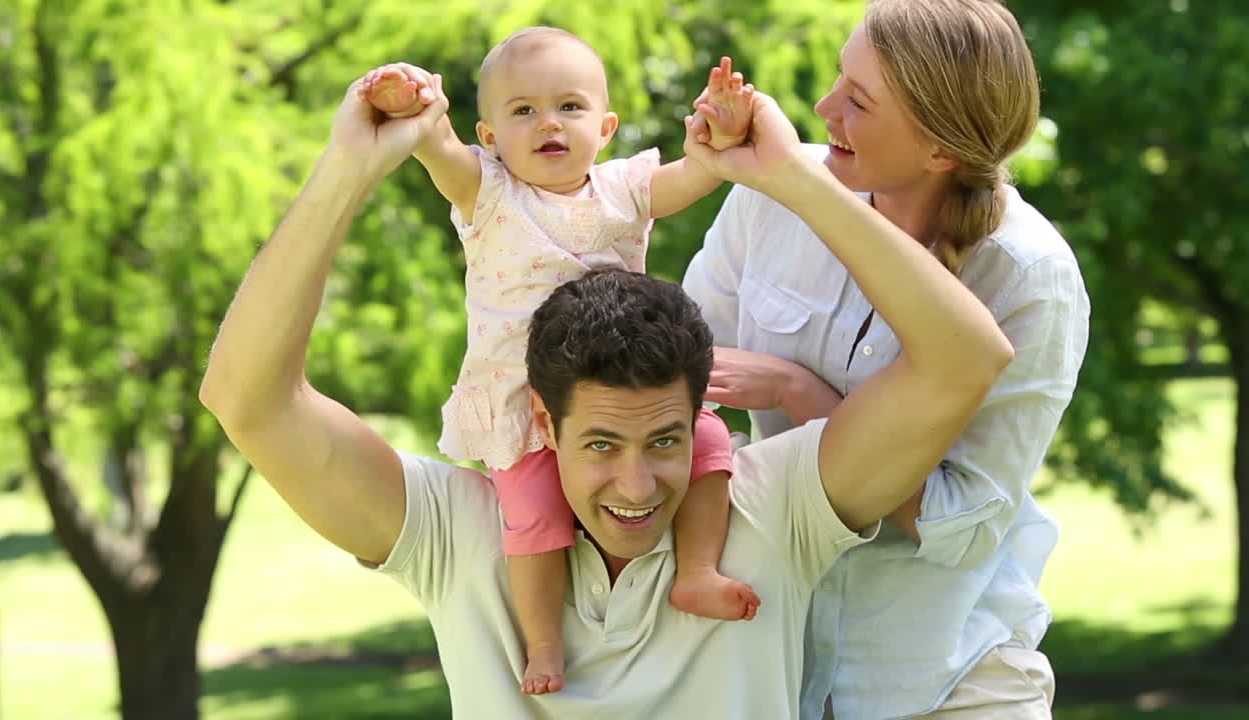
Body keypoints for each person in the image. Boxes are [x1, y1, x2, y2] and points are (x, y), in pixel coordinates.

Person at [198, 58, 1016, 718]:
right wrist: (348, 168)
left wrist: (790, 179)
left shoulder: (771, 510)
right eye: (599, 444)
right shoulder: (463, 533)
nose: (636, 486)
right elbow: (248, 400)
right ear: (543, 423)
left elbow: (965, 360)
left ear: (700, 413)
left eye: (665, 440)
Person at [682, 1, 1091, 718]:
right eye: (839, 79)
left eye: (859, 101)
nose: (823, 108)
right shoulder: (769, 202)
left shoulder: (1029, 276)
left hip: (944, 678)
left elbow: (963, 527)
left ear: (939, 150)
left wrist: (802, 395)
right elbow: (677, 389)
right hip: (772, 658)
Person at [356, 26, 761, 694]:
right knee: (534, 514)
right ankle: (543, 641)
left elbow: (696, 176)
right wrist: (417, 111)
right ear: (489, 137)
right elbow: (439, 151)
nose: (549, 123)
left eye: (570, 107)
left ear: (605, 127)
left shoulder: (623, 189)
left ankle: (696, 572)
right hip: (521, 402)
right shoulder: (488, 193)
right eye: (524, 111)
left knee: (711, 443)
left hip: (617, 392)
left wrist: (721, 139)